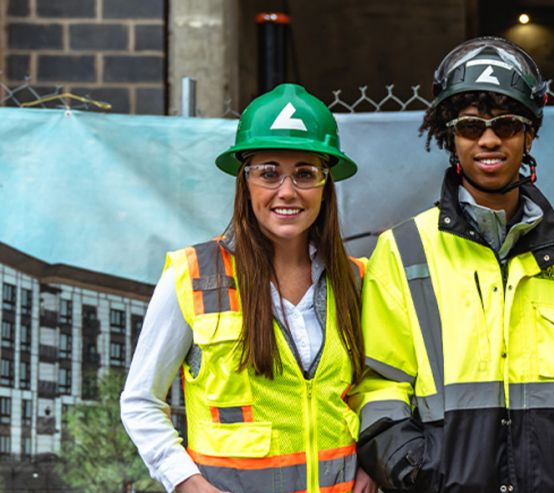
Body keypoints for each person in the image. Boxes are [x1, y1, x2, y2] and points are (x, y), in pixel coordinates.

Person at [350, 36, 554, 493]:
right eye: (471, 125)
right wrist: (413, 468)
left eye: (507, 124)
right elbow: (378, 384)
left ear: (529, 133)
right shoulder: (404, 249)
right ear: (449, 135)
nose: (489, 139)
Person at [121, 84, 376, 493]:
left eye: (306, 173)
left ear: (327, 184)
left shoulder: (359, 280)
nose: (287, 191)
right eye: (269, 172)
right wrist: (187, 483)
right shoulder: (191, 276)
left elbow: (373, 390)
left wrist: (374, 463)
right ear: (245, 181)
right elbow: (141, 401)